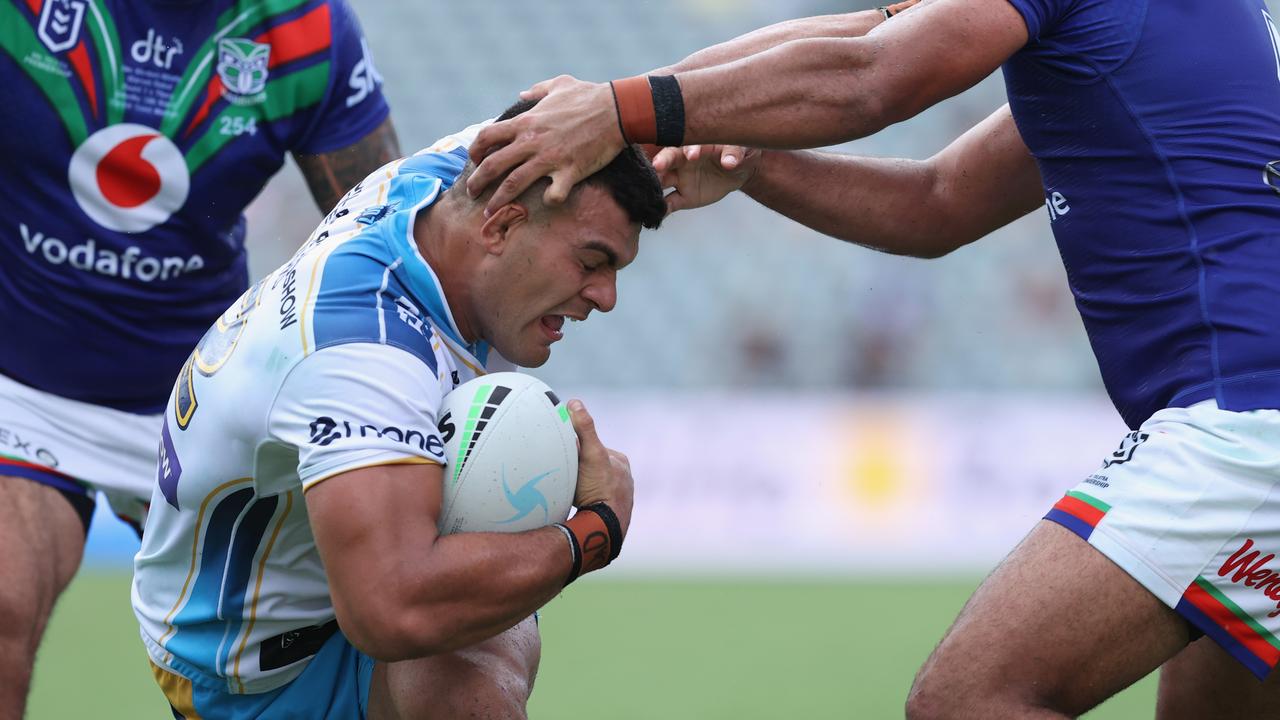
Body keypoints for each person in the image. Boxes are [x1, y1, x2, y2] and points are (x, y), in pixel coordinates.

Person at [463, 0, 1280, 717]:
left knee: (971, 699)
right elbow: (938, 202)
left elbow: (873, 75)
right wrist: (750, 161)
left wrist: (619, 109)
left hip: (1242, 424)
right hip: (1251, 422)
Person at [131, 99, 665, 719]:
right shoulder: (366, 355)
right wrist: (593, 531)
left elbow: (587, 116)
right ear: (500, 228)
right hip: (253, 680)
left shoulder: (460, 176)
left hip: (326, 577)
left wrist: (684, 134)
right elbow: (390, 609)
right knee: (466, 682)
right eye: (593, 261)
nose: (607, 297)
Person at [0, 0, 400, 714]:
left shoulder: (305, 27)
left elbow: (382, 231)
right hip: (23, 388)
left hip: (202, 402)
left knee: (302, 654)